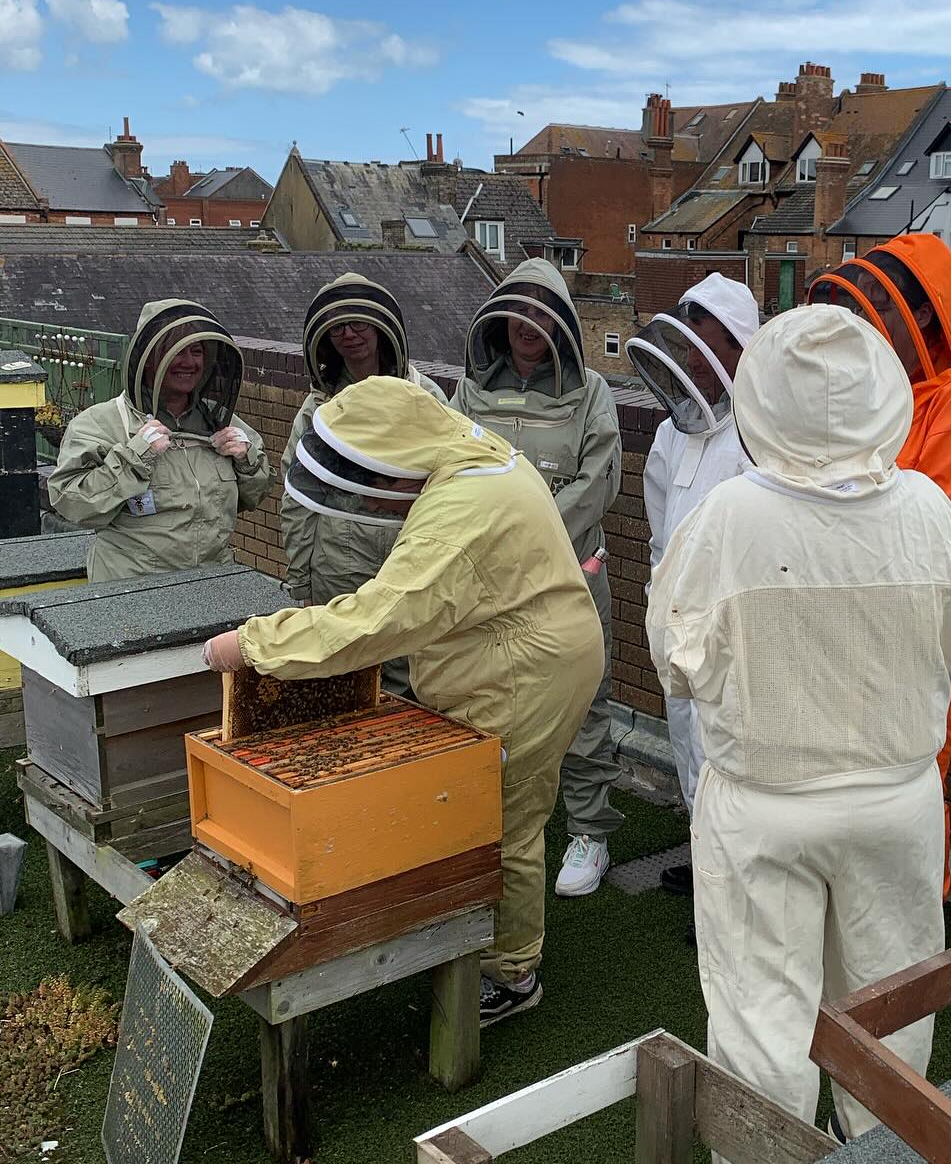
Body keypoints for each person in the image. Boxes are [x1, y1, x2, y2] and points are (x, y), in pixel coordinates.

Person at [648, 306, 951, 1164]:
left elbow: (676, 660)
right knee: (892, 993)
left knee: (764, 1004)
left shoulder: (729, 517)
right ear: (880, 395)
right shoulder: (924, 509)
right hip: (894, 799)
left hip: (765, 801)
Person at [205, 378, 602, 1027]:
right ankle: (474, 935)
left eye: (376, 480)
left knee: (503, 820)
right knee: (495, 807)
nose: (378, 495)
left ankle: (512, 971)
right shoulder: (466, 449)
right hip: (529, 646)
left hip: (525, 672)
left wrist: (253, 644)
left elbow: (379, 620)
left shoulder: (460, 509)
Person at [808, 233, 951, 879]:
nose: (863, 328)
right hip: (849, 638)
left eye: (877, 311)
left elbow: (926, 534)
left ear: (919, 314)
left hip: (917, 646)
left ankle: (915, 963)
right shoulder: (871, 395)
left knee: (907, 811)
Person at [451, 261, 622, 899]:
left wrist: (528, 530)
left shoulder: (593, 394)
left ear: (565, 324)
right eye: (520, 311)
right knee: (487, 699)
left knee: (582, 703)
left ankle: (590, 831)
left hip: (571, 576)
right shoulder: (467, 393)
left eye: (545, 313)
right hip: (488, 583)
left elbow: (600, 482)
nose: (531, 325)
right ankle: (487, 822)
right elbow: (451, 473)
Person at [626, 273, 760, 832]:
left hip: (731, 634)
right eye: (689, 344)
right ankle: (698, 848)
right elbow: (662, 530)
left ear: (737, 346)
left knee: (726, 755)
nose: (695, 359)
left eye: (708, 343)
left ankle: (725, 882)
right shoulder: (670, 434)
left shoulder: (757, 437)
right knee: (683, 737)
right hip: (677, 625)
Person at [280, 273, 446, 694]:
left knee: (410, 677)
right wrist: (300, 579)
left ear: (382, 328)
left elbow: (454, 479)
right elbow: (298, 496)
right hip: (337, 561)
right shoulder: (315, 409)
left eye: (358, 323)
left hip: (406, 555)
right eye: (337, 326)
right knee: (348, 674)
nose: (349, 335)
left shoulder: (425, 396)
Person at [50, 298, 270, 581]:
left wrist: (247, 462)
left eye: (196, 351)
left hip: (213, 583)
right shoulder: (101, 424)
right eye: (175, 351)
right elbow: (72, 503)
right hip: (130, 588)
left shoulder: (223, 423)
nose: (188, 362)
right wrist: (134, 458)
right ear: (149, 358)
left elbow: (255, 497)